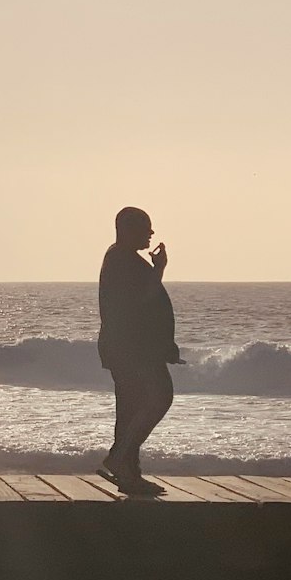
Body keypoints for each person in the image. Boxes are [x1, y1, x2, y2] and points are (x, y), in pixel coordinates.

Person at [97, 206, 181, 495]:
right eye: (146, 228)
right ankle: (120, 458)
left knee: (132, 407)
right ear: (128, 230)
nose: (151, 233)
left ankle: (128, 470)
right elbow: (141, 302)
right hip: (133, 349)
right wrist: (158, 270)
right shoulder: (121, 260)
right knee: (159, 396)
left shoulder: (122, 259)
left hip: (131, 348)